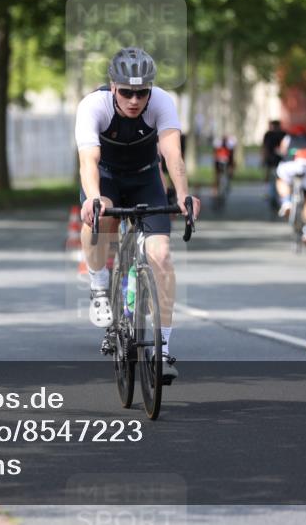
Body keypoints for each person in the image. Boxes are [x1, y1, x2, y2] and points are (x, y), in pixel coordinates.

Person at [75, 47, 200, 383]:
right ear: (113, 87)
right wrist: (94, 197)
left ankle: (162, 349)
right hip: (106, 177)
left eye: (141, 93)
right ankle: (99, 285)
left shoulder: (161, 102)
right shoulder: (93, 106)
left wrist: (183, 195)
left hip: (146, 179)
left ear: (150, 90)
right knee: (99, 218)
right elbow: (88, 160)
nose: (134, 100)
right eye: (126, 93)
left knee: (162, 256)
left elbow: (172, 153)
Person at [275, 125, 306, 244]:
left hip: (291, 164)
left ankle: (286, 202)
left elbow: (282, 151)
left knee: (280, 179)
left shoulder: (288, 138)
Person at [262, 119, 286, 208]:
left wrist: (264, 159)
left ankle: (271, 196)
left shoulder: (268, 135)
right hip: (280, 161)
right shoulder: (283, 134)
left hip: (272, 161)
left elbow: (265, 148)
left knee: (271, 179)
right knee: (279, 180)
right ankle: (276, 197)